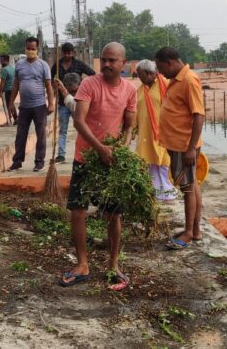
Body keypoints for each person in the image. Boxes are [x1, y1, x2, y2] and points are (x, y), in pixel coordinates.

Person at [60, 42, 137, 291]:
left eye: (112, 60)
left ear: (123, 64)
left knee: (114, 214)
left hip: (111, 162)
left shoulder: (129, 89)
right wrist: (100, 149)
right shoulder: (89, 84)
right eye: (104, 59)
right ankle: (83, 264)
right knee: (78, 211)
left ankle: (114, 266)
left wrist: (121, 149)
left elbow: (129, 126)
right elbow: (79, 121)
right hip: (86, 158)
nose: (106, 64)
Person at [154, 46, 205, 249]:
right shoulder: (176, 80)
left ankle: (189, 233)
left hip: (185, 146)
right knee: (192, 186)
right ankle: (196, 230)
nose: (161, 73)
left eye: (161, 68)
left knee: (187, 189)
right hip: (177, 144)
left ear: (170, 62)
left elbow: (198, 115)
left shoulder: (189, 80)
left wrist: (191, 148)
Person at [8, 37, 55, 172]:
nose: (30, 51)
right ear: (25, 48)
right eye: (28, 48)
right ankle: (17, 161)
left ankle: (39, 162)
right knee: (21, 134)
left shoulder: (43, 65)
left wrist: (50, 103)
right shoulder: (19, 65)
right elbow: (16, 85)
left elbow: (48, 85)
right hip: (24, 107)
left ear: (37, 49)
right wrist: (11, 102)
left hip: (39, 106)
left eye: (33, 49)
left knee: (40, 134)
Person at [133, 59, 176, 203]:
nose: (138, 78)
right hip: (145, 133)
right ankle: (156, 193)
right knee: (149, 164)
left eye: (140, 75)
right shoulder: (141, 90)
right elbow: (135, 112)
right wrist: (131, 130)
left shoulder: (167, 85)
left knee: (164, 164)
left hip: (164, 134)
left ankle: (168, 193)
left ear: (149, 73)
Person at [51, 42, 96, 163]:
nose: (67, 55)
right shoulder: (57, 65)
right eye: (65, 53)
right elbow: (50, 80)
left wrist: (84, 86)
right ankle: (61, 154)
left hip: (78, 101)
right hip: (63, 102)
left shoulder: (78, 64)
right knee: (62, 129)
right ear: (62, 53)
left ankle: (87, 151)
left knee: (83, 127)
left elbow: (93, 74)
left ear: (73, 53)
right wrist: (54, 87)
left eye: (69, 53)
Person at [0, 54, 16, 124]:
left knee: (6, 106)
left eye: (1, 61)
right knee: (12, 104)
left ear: (5, 61)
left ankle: (8, 121)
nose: (0, 62)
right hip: (13, 89)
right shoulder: (12, 68)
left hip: (6, 90)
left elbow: (2, 82)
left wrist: (0, 92)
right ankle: (16, 119)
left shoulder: (4, 70)